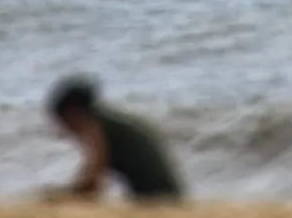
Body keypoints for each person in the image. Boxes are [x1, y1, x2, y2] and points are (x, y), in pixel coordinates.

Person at [41, 76, 185, 203]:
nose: (66, 129)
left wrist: (61, 196)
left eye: (63, 121)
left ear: (73, 113)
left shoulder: (95, 129)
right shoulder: (108, 121)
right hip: (168, 194)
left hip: (158, 200)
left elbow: (92, 184)